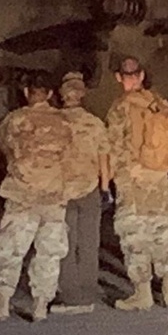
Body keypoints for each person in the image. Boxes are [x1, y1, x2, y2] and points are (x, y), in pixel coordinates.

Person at [0, 71, 73, 322]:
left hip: (22, 194)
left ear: (26, 93)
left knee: (9, 249)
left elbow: (2, 146)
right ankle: (41, 305)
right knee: (48, 251)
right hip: (54, 196)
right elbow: (71, 157)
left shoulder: (15, 120)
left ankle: (0, 304)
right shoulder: (65, 122)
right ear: (51, 94)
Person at [106, 55, 168, 310]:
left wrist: (115, 177)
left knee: (135, 237)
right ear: (141, 76)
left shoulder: (119, 107)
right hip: (159, 178)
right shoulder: (159, 103)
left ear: (119, 78)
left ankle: (142, 294)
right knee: (163, 234)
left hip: (133, 181)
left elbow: (113, 147)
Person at [53, 71, 110, 314]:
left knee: (66, 241)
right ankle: (88, 292)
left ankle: (70, 295)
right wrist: (105, 188)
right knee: (89, 242)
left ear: (61, 94)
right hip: (90, 189)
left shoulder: (54, 122)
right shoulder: (94, 123)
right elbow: (104, 159)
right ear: (83, 93)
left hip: (62, 190)